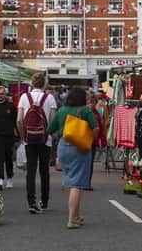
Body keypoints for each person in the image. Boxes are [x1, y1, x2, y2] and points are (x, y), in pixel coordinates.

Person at [47, 87, 99, 229]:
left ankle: (76, 215)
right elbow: (96, 127)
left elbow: (50, 130)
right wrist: (90, 139)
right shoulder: (86, 110)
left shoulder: (62, 110)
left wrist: (58, 135)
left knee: (71, 180)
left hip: (63, 147)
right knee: (77, 184)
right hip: (79, 149)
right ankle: (71, 219)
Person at [17, 72, 57, 214]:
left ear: (32, 84)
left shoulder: (24, 97)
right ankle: (44, 202)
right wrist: (51, 136)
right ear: (44, 83)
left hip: (29, 139)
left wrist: (23, 137)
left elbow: (20, 120)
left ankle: (31, 202)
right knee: (44, 171)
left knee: (31, 171)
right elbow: (52, 121)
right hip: (45, 139)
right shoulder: (50, 98)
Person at [87, 93, 107, 190]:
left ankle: (87, 183)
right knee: (85, 163)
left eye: (93, 103)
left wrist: (103, 142)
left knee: (89, 163)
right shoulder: (86, 112)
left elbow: (101, 129)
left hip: (92, 142)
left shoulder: (96, 114)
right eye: (90, 103)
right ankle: (83, 182)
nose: (91, 105)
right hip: (83, 141)